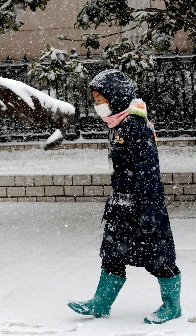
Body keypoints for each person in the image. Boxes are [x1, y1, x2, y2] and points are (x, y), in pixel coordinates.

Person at [67, 69, 181, 324]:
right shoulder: (117, 124)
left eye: (100, 100)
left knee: (159, 257)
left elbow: (148, 171)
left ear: (115, 97)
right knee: (112, 253)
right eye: (96, 101)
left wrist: (149, 210)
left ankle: (172, 306)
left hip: (142, 204)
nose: (98, 106)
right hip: (121, 203)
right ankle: (100, 303)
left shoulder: (134, 126)